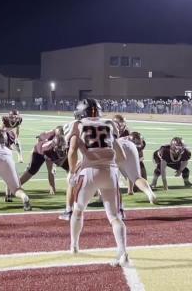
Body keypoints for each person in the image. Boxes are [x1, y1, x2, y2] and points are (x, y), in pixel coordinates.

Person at [67, 98, 129, 267]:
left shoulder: (77, 125)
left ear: (80, 112)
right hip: (110, 172)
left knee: (78, 210)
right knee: (115, 217)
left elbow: (72, 150)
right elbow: (122, 157)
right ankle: (123, 252)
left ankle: (74, 245)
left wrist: (73, 172)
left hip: (88, 172)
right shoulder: (109, 124)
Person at [19, 126, 69, 195]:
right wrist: (52, 187)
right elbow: (51, 170)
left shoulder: (66, 141)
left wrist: (63, 160)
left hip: (49, 146)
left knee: (70, 167)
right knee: (33, 170)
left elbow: (67, 154)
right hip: (39, 151)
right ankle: (16, 186)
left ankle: (72, 186)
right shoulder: (48, 149)